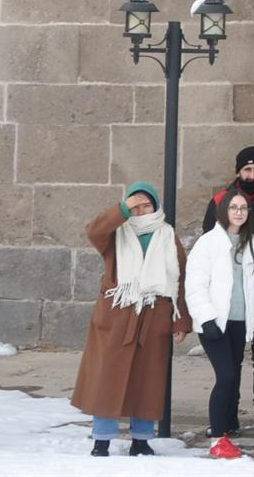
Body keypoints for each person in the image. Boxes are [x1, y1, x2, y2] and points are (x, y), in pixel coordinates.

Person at [72, 182, 191, 457]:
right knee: (107, 378)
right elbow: (93, 231)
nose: (141, 210)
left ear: (155, 206)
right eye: (136, 205)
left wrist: (181, 320)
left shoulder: (167, 235)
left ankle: (141, 440)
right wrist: (123, 209)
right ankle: (102, 439)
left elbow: (180, 277)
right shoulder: (116, 234)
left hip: (154, 315)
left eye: (146, 205)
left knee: (147, 381)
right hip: (118, 315)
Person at [199, 146, 254, 434]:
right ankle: (229, 415)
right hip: (230, 295)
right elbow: (209, 245)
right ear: (238, 171)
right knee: (231, 362)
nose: (252, 175)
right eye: (247, 169)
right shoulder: (220, 201)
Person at [187, 189, 254, 447]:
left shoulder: (252, 245)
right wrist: (206, 319)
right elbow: (195, 285)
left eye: (243, 208)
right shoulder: (208, 243)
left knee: (232, 378)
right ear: (223, 211)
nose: (238, 212)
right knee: (225, 376)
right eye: (233, 207)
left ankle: (225, 428)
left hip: (239, 322)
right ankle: (217, 438)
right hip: (215, 323)